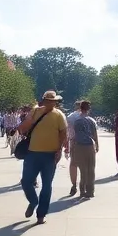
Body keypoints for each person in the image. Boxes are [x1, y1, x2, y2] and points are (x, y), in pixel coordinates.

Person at [17, 90, 68, 225]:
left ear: (56, 102)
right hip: (32, 153)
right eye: (48, 101)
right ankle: (33, 201)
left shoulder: (59, 115)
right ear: (44, 101)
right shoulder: (35, 112)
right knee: (26, 181)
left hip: (50, 155)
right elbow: (24, 127)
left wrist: (60, 149)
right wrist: (20, 127)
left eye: (53, 101)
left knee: (46, 185)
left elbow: (63, 133)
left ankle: (41, 214)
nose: (51, 103)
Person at [71, 100, 99, 199]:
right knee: (91, 169)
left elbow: (75, 135)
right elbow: (94, 134)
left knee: (83, 169)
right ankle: (90, 191)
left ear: (80, 108)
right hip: (89, 146)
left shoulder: (77, 121)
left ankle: (82, 190)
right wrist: (97, 145)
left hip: (79, 146)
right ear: (88, 109)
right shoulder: (92, 120)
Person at [66, 103, 82, 196]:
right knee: (85, 165)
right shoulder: (88, 117)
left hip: (74, 141)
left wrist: (66, 146)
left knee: (73, 164)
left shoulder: (70, 117)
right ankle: (83, 186)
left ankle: (74, 185)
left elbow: (67, 132)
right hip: (86, 143)